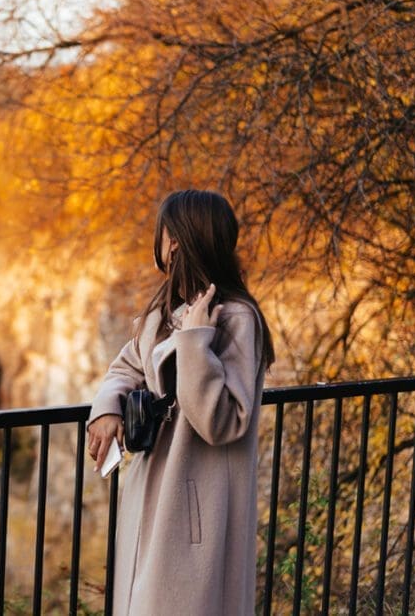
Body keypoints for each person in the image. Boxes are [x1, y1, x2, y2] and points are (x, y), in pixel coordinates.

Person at [86, 189, 275, 615]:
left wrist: (194, 342)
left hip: (196, 515)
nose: (162, 242)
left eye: (166, 233)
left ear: (178, 241)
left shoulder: (236, 319)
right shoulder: (163, 312)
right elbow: (125, 367)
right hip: (152, 499)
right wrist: (107, 409)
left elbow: (221, 421)